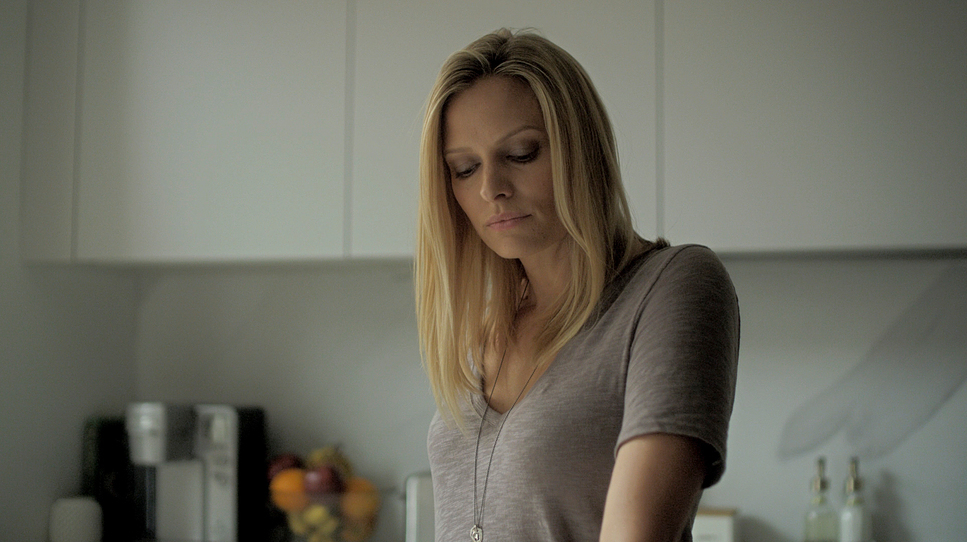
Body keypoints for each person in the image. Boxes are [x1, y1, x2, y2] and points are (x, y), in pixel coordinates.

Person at [414, 28, 739, 542]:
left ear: (583, 149)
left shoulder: (671, 288)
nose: (489, 188)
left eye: (521, 154)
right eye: (464, 168)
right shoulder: (486, 337)